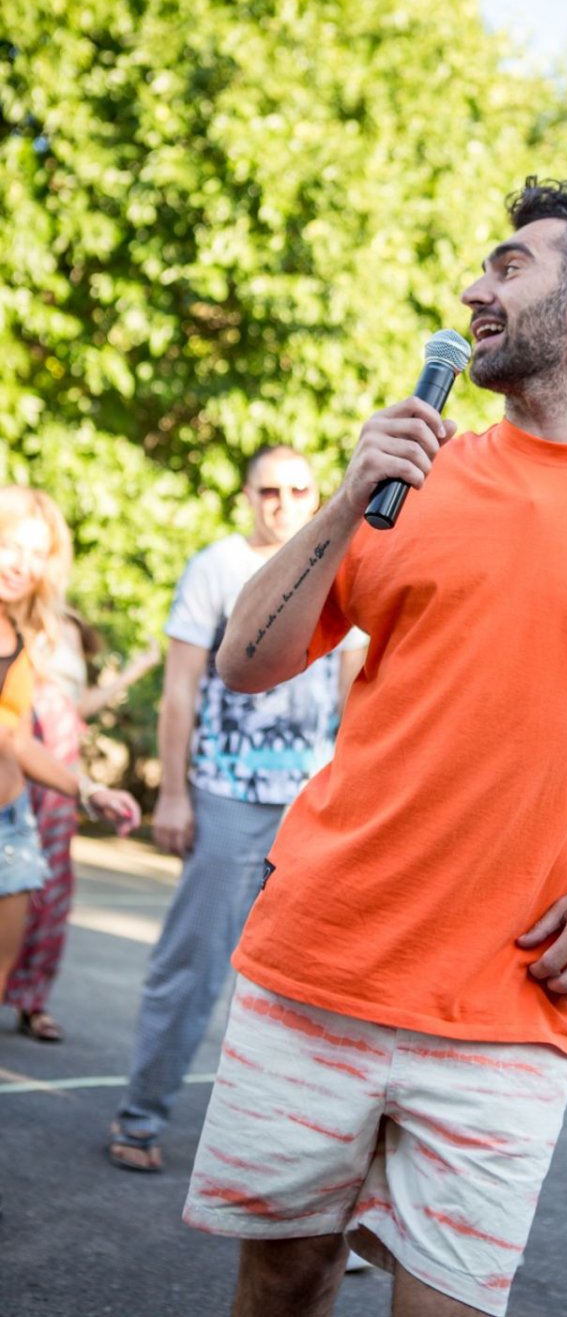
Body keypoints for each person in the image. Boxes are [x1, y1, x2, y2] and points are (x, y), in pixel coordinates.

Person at [181, 178, 567, 1317]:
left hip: (514, 1002)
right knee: (283, 1282)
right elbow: (245, 661)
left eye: (509, 266)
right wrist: (346, 498)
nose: (472, 288)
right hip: (321, 962)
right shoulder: (412, 477)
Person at [109, 445, 367, 1174]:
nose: (283, 503)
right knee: (192, 965)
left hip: (311, 805)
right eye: (268, 491)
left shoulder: (343, 555)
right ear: (247, 497)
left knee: (305, 980)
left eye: (298, 490)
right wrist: (173, 792)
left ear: (318, 493)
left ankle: (280, 1148)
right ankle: (140, 1118)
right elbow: (179, 690)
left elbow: (355, 693)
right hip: (225, 795)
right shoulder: (217, 566)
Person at [0, 486, 140, 1004]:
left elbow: (17, 740)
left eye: (37, 554)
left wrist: (87, 790)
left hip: (11, 826)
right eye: (11, 546)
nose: (23, 565)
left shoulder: (19, 635)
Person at [5, 578, 160, 1043]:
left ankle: (32, 998)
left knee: (49, 887)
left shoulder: (64, 627)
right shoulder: (26, 628)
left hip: (56, 764)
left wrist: (134, 671)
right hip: (22, 764)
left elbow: (77, 706)